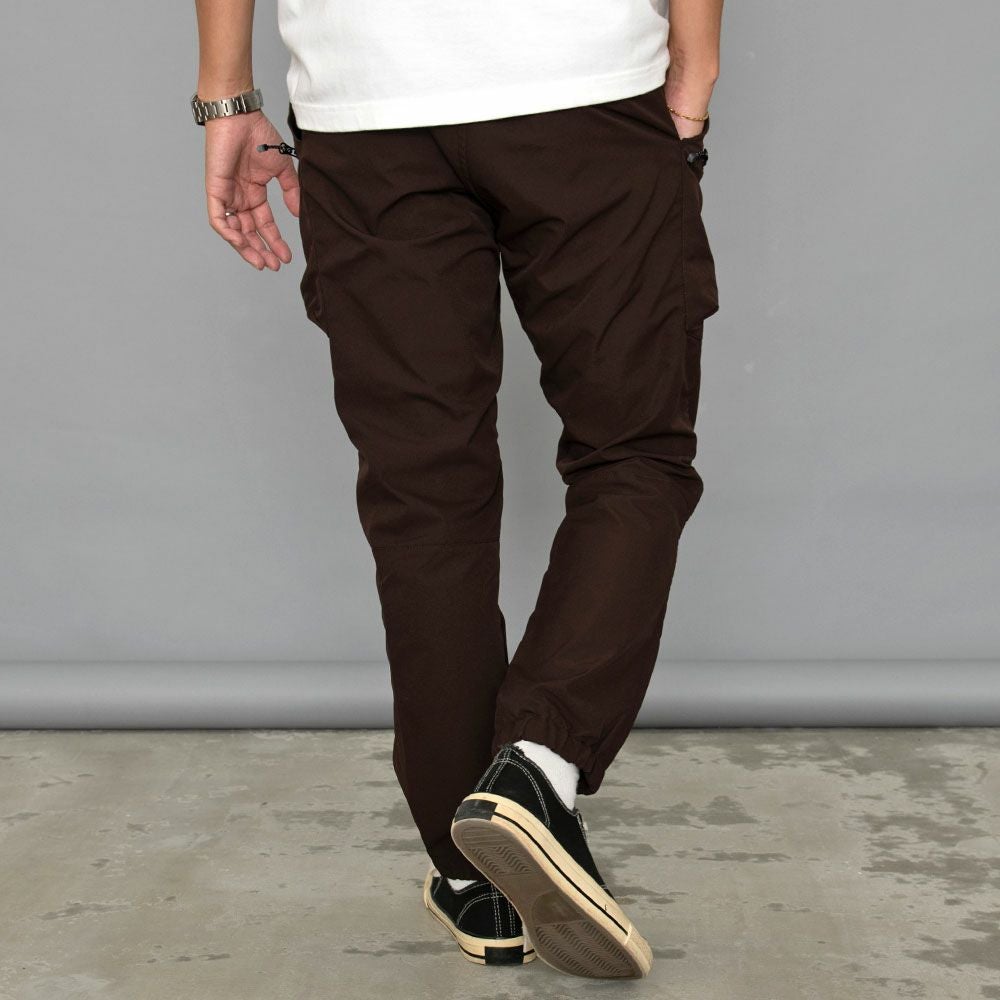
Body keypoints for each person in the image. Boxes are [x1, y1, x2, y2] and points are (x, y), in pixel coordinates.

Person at [192, 0, 723, 980]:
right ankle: (538, 767)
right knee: (632, 449)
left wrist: (225, 94)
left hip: (366, 102)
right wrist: (693, 72)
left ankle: (471, 872)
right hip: (583, 81)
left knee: (422, 485)